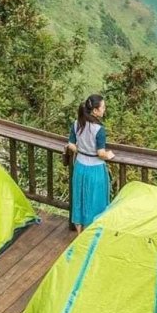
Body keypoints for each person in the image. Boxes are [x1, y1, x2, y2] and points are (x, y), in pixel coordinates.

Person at [66, 94, 114, 231]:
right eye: (103, 107)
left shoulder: (77, 124)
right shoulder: (99, 130)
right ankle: (90, 236)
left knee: (79, 201)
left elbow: (71, 144)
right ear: (95, 111)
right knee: (95, 203)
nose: (104, 110)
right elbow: (100, 153)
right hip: (95, 169)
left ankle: (79, 235)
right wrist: (109, 155)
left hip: (80, 167)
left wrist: (81, 149)